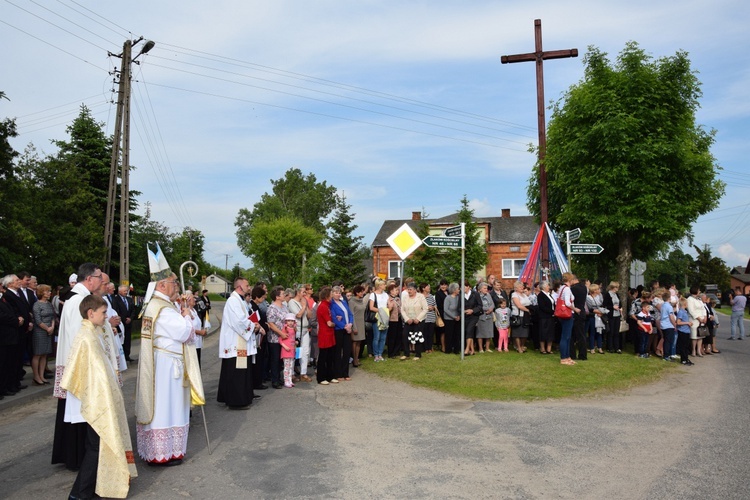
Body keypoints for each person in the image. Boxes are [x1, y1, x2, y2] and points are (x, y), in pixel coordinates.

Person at [61, 294, 137, 499]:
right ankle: (79, 494)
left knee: (95, 446)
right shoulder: (86, 337)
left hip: (99, 399)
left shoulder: (94, 332)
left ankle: (87, 491)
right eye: (103, 313)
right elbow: (88, 374)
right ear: (90, 313)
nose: (106, 316)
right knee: (95, 447)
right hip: (95, 401)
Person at [135, 245, 203, 466]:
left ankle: (165, 451)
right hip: (167, 367)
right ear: (162, 285)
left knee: (167, 406)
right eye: (174, 283)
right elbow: (185, 333)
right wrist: (186, 315)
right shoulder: (162, 308)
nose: (177, 286)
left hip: (163, 364)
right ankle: (163, 453)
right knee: (168, 407)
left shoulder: (157, 305)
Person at [52, 263, 105, 470]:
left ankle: (74, 455)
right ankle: (76, 457)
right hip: (79, 366)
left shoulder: (79, 298)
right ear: (89, 279)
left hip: (77, 364)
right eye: (99, 277)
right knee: (78, 412)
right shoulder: (79, 301)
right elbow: (80, 336)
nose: (102, 281)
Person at [218, 278, 260, 409]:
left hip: (240, 341)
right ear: (240, 287)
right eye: (247, 285)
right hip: (235, 343)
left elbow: (247, 317)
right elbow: (239, 321)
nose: (249, 287)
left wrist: (254, 323)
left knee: (240, 371)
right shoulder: (233, 301)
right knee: (237, 372)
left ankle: (243, 396)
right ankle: (236, 401)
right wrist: (253, 326)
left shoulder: (240, 301)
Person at [265, 287, 290, 389]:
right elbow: (271, 323)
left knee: (281, 359)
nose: (284, 295)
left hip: (285, 338)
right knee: (275, 359)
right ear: (277, 296)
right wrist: (280, 333)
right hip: (275, 338)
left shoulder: (284, 307)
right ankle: (275, 380)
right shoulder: (272, 308)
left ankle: (280, 378)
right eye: (283, 294)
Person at [287, 285, 313, 381]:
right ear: (298, 292)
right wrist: (303, 306)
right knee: (294, 352)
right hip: (297, 329)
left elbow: (309, 315)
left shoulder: (303, 302)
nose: (305, 294)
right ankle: (291, 374)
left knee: (305, 352)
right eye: (303, 292)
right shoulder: (292, 302)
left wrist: (306, 306)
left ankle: (303, 372)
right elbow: (298, 315)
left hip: (305, 329)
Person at [31, 284, 55, 385]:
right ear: (42, 292)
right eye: (47, 291)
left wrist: (52, 327)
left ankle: (42, 375)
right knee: (38, 354)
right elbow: (37, 320)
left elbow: (53, 316)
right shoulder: (37, 304)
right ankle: (36, 376)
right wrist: (47, 328)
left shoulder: (49, 304)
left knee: (44, 354)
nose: (49, 293)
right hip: (40, 331)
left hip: (49, 331)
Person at [330, 286, 354, 379]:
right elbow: (334, 318)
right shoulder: (331, 304)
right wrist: (344, 326)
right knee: (338, 352)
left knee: (347, 351)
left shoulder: (343, 302)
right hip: (339, 330)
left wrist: (350, 324)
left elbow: (350, 314)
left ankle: (345, 373)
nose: (338, 294)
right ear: (332, 293)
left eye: (339, 292)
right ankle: (338, 373)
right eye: (336, 292)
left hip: (347, 329)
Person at [315, 287, 338, 385]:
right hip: (325, 334)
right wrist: (335, 323)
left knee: (330, 356)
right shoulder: (323, 306)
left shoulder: (327, 305)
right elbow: (329, 323)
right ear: (327, 296)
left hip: (329, 334)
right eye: (331, 294)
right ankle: (321, 377)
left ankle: (330, 376)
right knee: (323, 357)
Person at [400, 282, 428, 360]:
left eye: (410, 290)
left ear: (415, 290)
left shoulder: (421, 297)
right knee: (405, 335)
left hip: (418, 321)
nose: (409, 291)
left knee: (417, 336)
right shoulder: (405, 297)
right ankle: (406, 353)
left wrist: (418, 319)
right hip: (408, 320)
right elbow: (402, 310)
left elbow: (425, 309)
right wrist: (407, 319)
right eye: (408, 289)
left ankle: (418, 354)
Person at [113, 285, 136, 362]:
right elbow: (116, 310)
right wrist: (123, 319)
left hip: (129, 323)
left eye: (126, 291)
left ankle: (127, 355)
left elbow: (133, 310)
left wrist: (130, 318)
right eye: (124, 291)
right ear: (119, 291)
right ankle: (122, 357)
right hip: (121, 323)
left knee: (128, 340)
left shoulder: (129, 299)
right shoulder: (116, 299)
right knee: (121, 339)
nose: (126, 292)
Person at [558, 273, 577, 365]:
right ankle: (564, 358)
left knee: (567, 336)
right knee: (565, 337)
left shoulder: (561, 288)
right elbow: (567, 303)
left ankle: (567, 356)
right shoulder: (567, 289)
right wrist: (575, 309)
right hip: (567, 314)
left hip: (563, 314)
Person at [369, 279, 389, 362]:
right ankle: (376, 354)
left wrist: (388, 309)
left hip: (385, 316)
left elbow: (389, 305)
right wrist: (381, 311)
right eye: (384, 284)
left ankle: (380, 354)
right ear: (379, 285)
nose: (385, 286)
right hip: (377, 317)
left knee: (383, 337)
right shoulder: (373, 295)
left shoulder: (386, 294)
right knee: (377, 337)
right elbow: (371, 307)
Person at [570, 276, 589, 360]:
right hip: (582, 312)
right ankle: (582, 354)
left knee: (572, 335)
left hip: (575, 312)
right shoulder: (583, 287)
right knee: (581, 335)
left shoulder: (573, 289)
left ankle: (572, 354)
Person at [348, 285, 367, 366]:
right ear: (357, 292)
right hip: (355, 324)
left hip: (361, 323)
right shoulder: (352, 302)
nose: (362, 293)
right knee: (355, 342)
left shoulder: (361, 300)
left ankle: (357, 358)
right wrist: (354, 327)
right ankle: (354, 359)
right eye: (361, 292)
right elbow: (351, 314)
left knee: (359, 342)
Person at [510, 281, 532, 354]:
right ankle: (518, 347)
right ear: (516, 288)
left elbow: (529, 303)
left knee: (524, 333)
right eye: (520, 287)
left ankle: (522, 345)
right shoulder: (514, 295)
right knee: (517, 333)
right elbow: (519, 305)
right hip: (518, 316)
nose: (522, 288)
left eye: (522, 286)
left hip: (525, 316)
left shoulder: (524, 295)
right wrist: (528, 310)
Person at [586, 284, 607, 355]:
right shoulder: (588, 298)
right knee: (592, 332)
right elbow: (590, 308)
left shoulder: (599, 296)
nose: (599, 290)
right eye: (598, 289)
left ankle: (600, 347)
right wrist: (598, 312)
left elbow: (602, 304)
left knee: (599, 332)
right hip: (593, 316)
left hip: (599, 316)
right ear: (594, 290)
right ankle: (592, 348)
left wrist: (601, 312)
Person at [602, 281, 623, 353]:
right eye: (616, 287)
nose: (617, 289)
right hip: (611, 315)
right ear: (613, 287)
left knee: (616, 332)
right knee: (611, 331)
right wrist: (612, 307)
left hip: (617, 314)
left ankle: (617, 347)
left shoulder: (617, 294)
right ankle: (610, 347)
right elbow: (605, 304)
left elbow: (620, 303)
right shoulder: (608, 294)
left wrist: (620, 307)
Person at [686, 286, 707, 357]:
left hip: (702, 319)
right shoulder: (689, 299)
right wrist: (698, 318)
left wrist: (704, 316)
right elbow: (691, 310)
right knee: (694, 336)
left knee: (700, 335)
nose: (699, 292)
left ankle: (699, 350)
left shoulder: (699, 299)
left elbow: (703, 308)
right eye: (699, 290)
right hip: (694, 319)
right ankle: (693, 350)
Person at [462, 282, 482, 356]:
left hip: (474, 316)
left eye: (464, 287)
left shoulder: (475, 294)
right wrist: (463, 311)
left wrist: (472, 310)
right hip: (465, 316)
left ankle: (467, 349)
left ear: (469, 287)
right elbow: (459, 306)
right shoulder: (461, 295)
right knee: (468, 331)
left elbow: (480, 305)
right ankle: (472, 350)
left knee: (469, 330)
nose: (462, 289)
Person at [536, 281, 555, 354]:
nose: (549, 287)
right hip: (544, 316)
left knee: (550, 332)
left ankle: (549, 348)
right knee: (543, 332)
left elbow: (553, 304)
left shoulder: (549, 294)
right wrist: (552, 311)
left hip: (551, 316)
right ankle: (542, 348)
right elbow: (542, 306)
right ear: (543, 287)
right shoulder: (540, 295)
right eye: (547, 286)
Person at [475, 283, 495, 352]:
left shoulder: (488, 295)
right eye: (484, 288)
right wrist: (486, 309)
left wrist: (491, 309)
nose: (486, 290)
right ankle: (481, 348)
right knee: (480, 333)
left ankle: (487, 348)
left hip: (489, 316)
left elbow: (492, 304)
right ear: (480, 289)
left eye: (486, 288)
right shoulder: (477, 296)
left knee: (488, 333)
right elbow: (478, 305)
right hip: (481, 316)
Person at [443, 283, 461, 354]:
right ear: (454, 290)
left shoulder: (459, 297)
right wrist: (454, 317)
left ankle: (457, 349)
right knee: (449, 335)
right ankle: (448, 349)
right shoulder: (448, 298)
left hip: (457, 318)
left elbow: (460, 307)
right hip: (449, 319)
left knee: (456, 334)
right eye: (457, 289)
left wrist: (459, 316)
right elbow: (446, 309)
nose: (459, 290)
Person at [385, 283, 402, 358]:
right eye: (395, 290)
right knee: (392, 337)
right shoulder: (388, 299)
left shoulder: (398, 299)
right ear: (391, 291)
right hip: (392, 320)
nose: (397, 291)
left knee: (398, 336)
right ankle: (391, 352)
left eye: (397, 290)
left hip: (399, 319)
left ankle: (397, 351)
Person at [675, 297, 694, 365]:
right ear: (685, 304)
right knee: (683, 346)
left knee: (686, 346)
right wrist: (687, 323)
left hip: (686, 331)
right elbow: (678, 322)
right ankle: (683, 359)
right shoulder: (681, 312)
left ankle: (686, 358)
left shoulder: (685, 311)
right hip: (682, 331)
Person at [281, 313, 298, 388]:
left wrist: (295, 342)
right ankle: (286, 380)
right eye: (289, 321)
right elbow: (280, 339)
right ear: (286, 321)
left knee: (291, 366)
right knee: (286, 366)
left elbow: (292, 338)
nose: (290, 322)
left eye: (292, 321)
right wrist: (285, 346)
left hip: (292, 349)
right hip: (286, 350)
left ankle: (290, 379)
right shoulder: (285, 329)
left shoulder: (294, 329)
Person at [420, 283, 438, 353]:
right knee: (424, 333)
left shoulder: (431, 296)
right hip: (424, 317)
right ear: (423, 288)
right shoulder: (420, 296)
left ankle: (430, 347)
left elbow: (435, 305)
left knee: (430, 334)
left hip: (432, 317)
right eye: (428, 287)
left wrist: (433, 307)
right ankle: (425, 348)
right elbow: (419, 306)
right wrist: (427, 308)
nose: (429, 288)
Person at [660, 291, 677, 362]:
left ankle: (666, 354)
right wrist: (674, 325)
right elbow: (671, 317)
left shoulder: (663, 305)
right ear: (669, 298)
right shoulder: (669, 307)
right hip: (668, 325)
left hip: (663, 324)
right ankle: (667, 355)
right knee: (668, 341)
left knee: (666, 340)